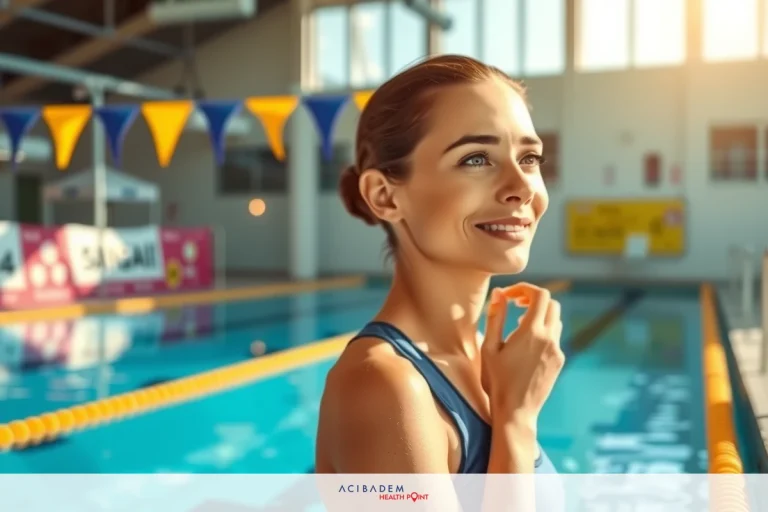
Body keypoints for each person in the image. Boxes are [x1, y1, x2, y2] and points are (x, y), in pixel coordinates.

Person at [315, 54, 564, 507]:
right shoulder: (383, 386)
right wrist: (516, 421)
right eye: (476, 158)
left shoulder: (485, 361)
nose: (522, 186)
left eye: (529, 157)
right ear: (385, 196)